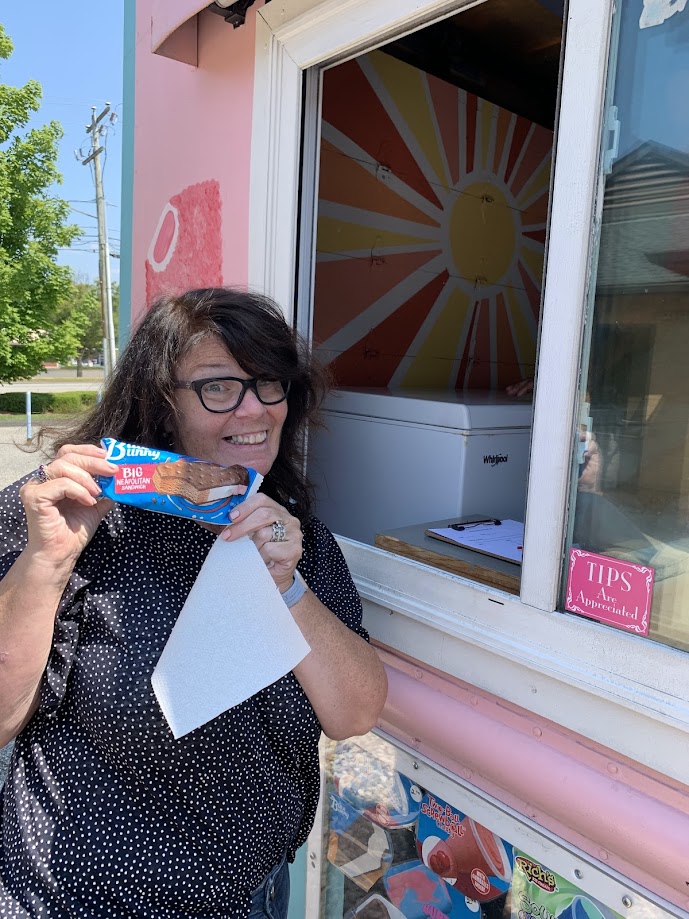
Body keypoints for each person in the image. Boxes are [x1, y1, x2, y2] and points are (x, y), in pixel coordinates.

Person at [0, 287, 388, 918]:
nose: (254, 411)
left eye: (270, 383)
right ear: (160, 400)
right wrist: (47, 563)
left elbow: (355, 714)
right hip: (73, 899)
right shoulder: (72, 517)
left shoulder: (289, 533)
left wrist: (287, 587)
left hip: (248, 895)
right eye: (218, 387)